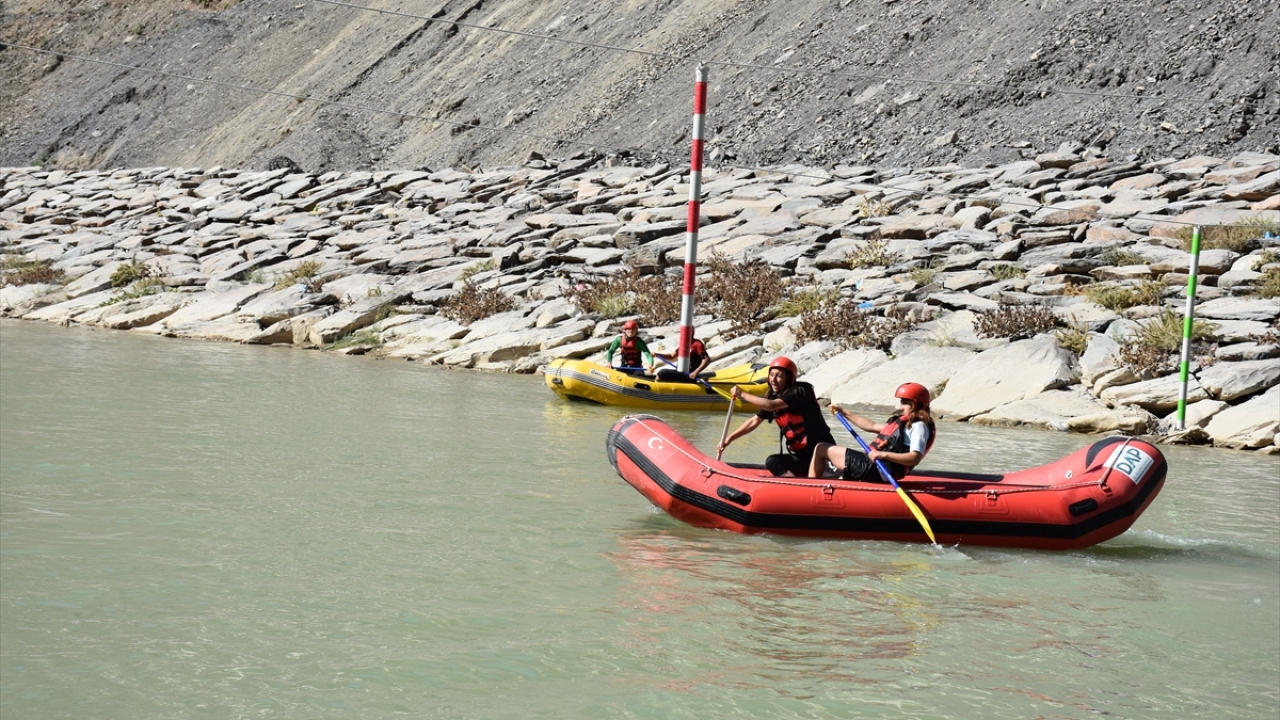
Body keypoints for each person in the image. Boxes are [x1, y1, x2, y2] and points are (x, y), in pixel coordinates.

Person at [718, 357, 835, 477]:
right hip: (802, 456)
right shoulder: (773, 397)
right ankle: (792, 484)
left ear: (789, 378)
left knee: (773, 461)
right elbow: (754, 421)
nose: (773, 380)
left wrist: (742, 394)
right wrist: (729, 439)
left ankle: (802, 483)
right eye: (771, 375)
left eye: (779, 376)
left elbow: (770, 405)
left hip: (822, 451)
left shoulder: (800, 391)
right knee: (773, 462)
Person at [808, 383, 936, 482]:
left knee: (821, 448)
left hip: (879, 469)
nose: (900, 407)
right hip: (877, 466)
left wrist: (882, 454)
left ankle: (810, 486)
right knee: (823, 451)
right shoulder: (907, 424)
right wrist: (844, 412)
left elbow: (915, 458)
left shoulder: (919, 426)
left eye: (904, 403)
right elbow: (871, 426)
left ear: (915, 404)